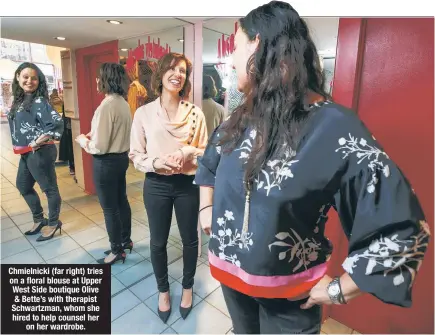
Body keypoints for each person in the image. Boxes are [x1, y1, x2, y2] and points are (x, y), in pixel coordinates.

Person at [194, 2, 431, 334]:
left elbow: (405, 229)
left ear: (258, 45)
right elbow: (210, 161)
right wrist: (206, 207)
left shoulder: (332, 126)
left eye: (235, 48)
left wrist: (339, 290)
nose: (231, 62)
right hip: (231, 283)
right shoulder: (242, 115)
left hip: (290, 299)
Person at [129, 52, 208, 322]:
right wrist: (156, 162)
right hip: (156, 185)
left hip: (188, 184)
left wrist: (187, 151)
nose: (177, 75)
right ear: (161, 74)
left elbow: (205, 152)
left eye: (183, 71)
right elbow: (135, 155)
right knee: (157, 242)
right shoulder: (143, 114)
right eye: (172, 69)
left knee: (190, 240)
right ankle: (163, 290)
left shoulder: (195, 114)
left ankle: (187, 287)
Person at [75, 63, 132, 265]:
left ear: (106, 79)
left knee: (110, 208)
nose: (97, 81)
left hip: (106, 162)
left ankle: (116, 250)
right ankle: (126, 240)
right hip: (121, 159)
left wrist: (83, 140)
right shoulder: (123, 103)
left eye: (99, 77)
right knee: (121, 201)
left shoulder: (107, 105)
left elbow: (99, 146)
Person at [8, 62, 64, 241]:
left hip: (40, 152)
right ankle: (39, 219)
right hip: (26, 152)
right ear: (18, 77)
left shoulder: (39, 101)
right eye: (25, 77)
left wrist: (40, 140)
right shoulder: (20, 99)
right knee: (23, 186)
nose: (30, 81)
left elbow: (56, 123)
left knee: (49, 189)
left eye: (34, 78)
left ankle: (53, 223)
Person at [58, 103, 75, 175]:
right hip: (68, 129)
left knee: (71, 149)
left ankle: (72, 166)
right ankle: (72, 166)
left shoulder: (67, 103)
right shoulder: (66, 104)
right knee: (70, 149)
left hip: (70, 128)